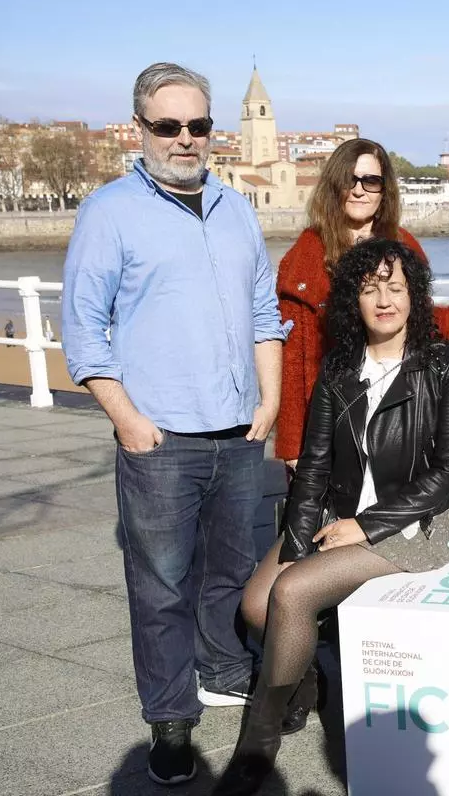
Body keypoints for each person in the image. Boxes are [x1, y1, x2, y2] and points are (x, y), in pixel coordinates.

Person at [61, 62, 287, 787]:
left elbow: (263, 312)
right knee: (160, 584)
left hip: (239, 431)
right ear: (142, 128)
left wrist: (270, 401)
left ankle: (222, 669)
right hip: (158, 437)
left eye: (198, 125)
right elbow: (82, 329)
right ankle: (169, 718)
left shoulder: (237, 208)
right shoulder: (109, 212)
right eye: (168, 125)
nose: (185, 138)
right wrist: (127, 419)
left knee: (230, 570)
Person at [213, 239, 449, 795]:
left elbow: (448, 474)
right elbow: (313, 466)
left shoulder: (443, 366)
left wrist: (367, 526)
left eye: (395, 288)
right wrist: (297, 542)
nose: (384, 300)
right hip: (338, 511)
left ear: (414, 296)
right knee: (256, 604)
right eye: (370, 289)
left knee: (292, 594)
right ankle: (304, 680)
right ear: (354, 300)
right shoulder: (338, 369)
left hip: (411, 528)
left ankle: (257, 744)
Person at [274, 138, 428, 473]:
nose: (359, 190)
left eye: (370, 181)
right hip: (328, 417)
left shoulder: (404, 245)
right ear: (335, 186)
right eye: (350, 180)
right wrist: (291, 443)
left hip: (399, 413)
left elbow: (426, 325)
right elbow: (293, 354)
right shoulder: (305, 256)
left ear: (384, 190)